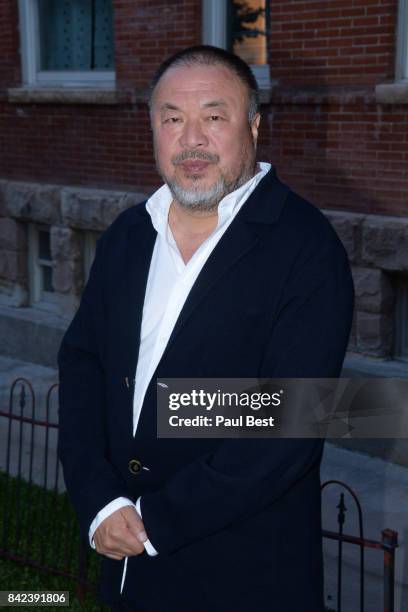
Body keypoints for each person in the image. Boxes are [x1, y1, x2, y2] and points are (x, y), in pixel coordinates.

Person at [57, 45, 354, 612]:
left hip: (241, 574)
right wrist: (98, 500)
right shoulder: (127, 235)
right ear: (152, 129)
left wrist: (152, 519)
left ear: (254, 127)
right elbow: (83, 365)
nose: (191, 140)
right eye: (172, 119)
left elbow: (289, 417)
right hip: (124, 572)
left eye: (213, 117)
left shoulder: (306, 248)